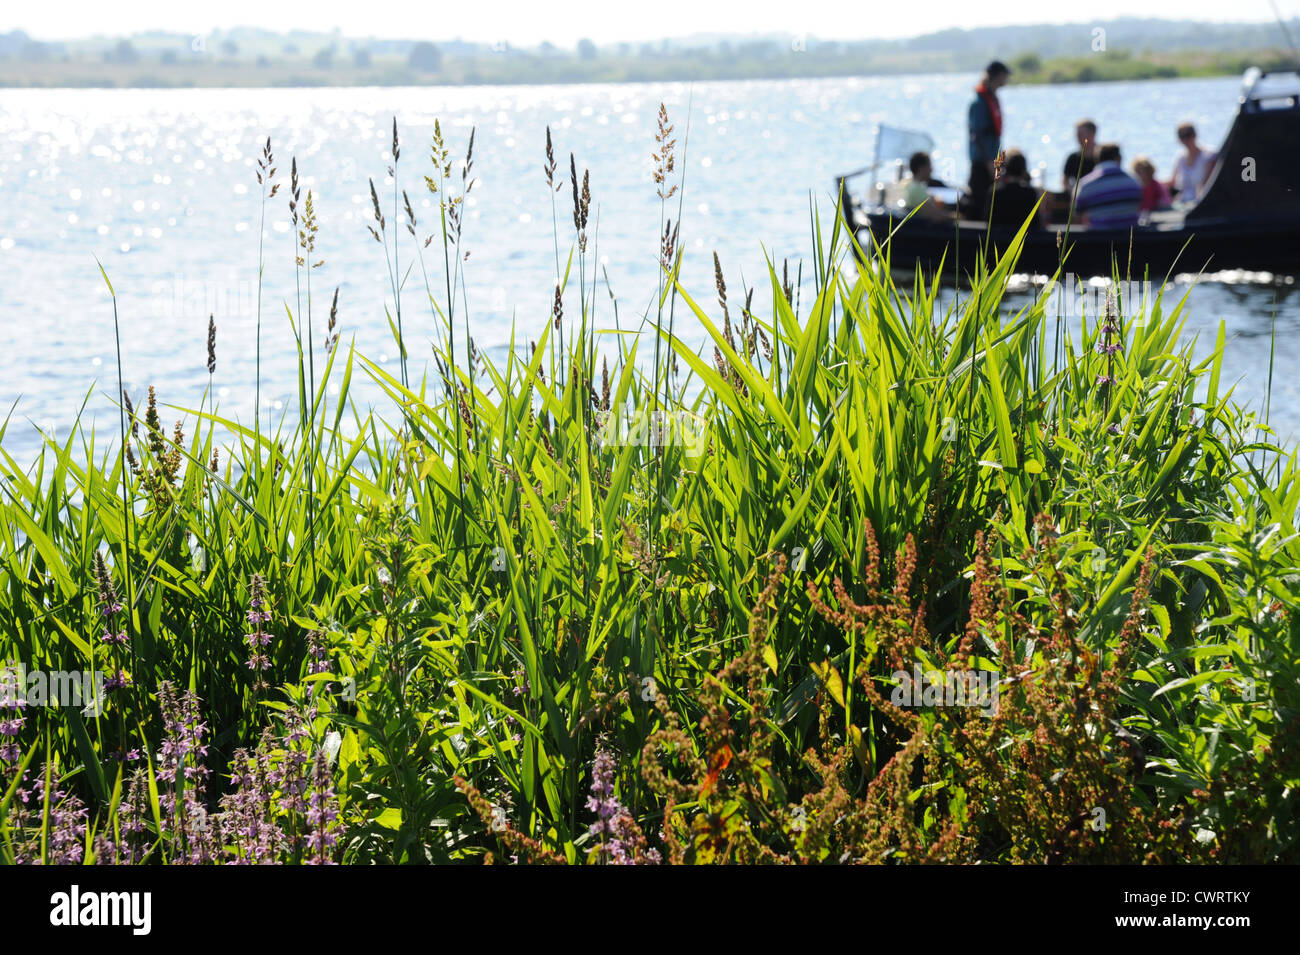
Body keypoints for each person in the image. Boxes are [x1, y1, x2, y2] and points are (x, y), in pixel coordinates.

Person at [967, 60, 1011, 218]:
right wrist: (988, 162)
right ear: (998, 76)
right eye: (1005, 75)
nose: (1007, 79)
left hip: (993, 163)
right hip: (982, 165)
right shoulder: (979, 103)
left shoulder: (992, 99)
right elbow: (976, 136)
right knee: (980, 204)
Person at [1073, 142, 1142, 229]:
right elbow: (1139, 208)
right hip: (1130, 239)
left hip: (1097, 239)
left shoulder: (1085, 185)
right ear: (1118, 159)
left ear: (1097, 159)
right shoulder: (1135, 182)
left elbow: (1076, 217)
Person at [985, 149, 1044, 228]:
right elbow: (1036, 223)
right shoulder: (1030, 193)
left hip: (998, 239)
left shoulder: (995, 192)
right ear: (1023, 170)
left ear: (1006, 169)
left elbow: (987, 220)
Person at [1167, 122, 1217, 204]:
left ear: (1195, 135)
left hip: (1202, 203)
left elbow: (1206, 185)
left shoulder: (1208, 155)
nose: (1185, 139)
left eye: (1188, 135)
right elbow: (1172, 182)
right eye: (1182, 136)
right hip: (1183, 202)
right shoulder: (1180, 157)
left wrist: (1198, 201)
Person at [900, 152, 954, 220]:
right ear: (921, 168)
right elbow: (936, 216)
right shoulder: (916, 189)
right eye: (929, 166)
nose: (931, 170)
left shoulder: (908, 184)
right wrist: (955, 216)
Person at [1062, 119, 1099, 194]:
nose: (1078, 138)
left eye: (1081, 134)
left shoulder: (1103, 155)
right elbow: (1065, 181)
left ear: (1092, 134)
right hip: (1079, 198)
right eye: (1077, 135)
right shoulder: (1072, 158)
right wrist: (1073, 192)